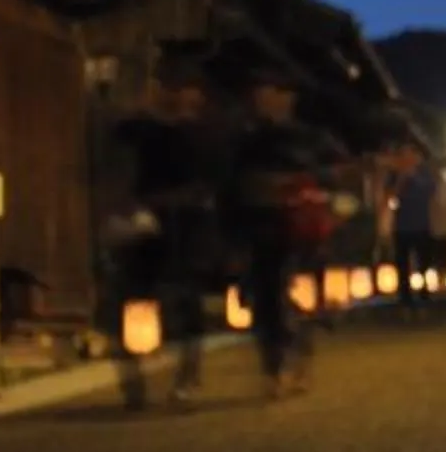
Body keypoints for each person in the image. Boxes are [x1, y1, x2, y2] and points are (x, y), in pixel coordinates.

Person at [107, 51, 222, 410]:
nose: (186, 98)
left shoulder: (204, 134)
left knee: (187, 303)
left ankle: (188, 375)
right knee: (134, 300)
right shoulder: (139, 129)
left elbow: (212, 182)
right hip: (145, 225)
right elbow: (118, 160)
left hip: (187, 227)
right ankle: (133, 378)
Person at [230, 62, 331, 397]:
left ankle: (296, 359)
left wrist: (295, 187)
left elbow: (325, 175)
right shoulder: (246, 137)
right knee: (265, 298)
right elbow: (233, 183)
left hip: (298, 226)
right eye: (259, 95)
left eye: (271, 94)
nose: (263, 101)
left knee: (291, 294)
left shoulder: (306, 137)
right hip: (260, 224)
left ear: (288, 98)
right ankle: (273, 368)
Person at [392, 143, 436, 311]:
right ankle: (405, 297)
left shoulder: (425, 173)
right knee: (402, 263)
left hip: (421, 224)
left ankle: (425, 293)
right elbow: (392, 196)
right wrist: (402, 178)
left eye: (411, 154)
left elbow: (431, 191)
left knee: (423, 261)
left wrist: (414, 177)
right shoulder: (397, 174)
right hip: (402, 226)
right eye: (405, 154)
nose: (408, 158)